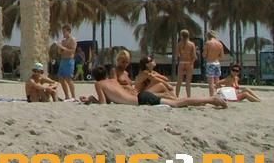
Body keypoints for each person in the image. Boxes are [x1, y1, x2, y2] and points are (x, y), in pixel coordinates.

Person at [92, 66, 227, 108]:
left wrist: (93, 100)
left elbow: (103, 103)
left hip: (141, 100)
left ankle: (211, 99)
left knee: (178, 103)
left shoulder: (98, 84)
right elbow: (113, 97)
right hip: (140, 96)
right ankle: (205, 100)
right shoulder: (113, 81)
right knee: (178, 102)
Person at [55, 24, 76, 99]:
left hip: (69, 60)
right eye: (62, 32)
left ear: (69, 31)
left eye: (64, 32)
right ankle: (67, 96)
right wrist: (59, 47)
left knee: (68, 78)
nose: (63, 33)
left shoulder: (72, 39)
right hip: (63, 60)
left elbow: (73, 51)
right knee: (61, 78)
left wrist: (63, 47)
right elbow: (60, 52)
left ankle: (73, 96)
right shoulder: (63, 41)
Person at [175, 30, 197, 97]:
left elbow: (177, 55)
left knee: (179, 81)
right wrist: (192, 63)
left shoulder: (179, 44)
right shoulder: (191, 44)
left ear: (181, 36)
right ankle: (188, 97)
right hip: (189, 63)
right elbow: (194, 56)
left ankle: (176, 96)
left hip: (182, 62)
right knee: (188, 82)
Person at [203, 30, 224, 96]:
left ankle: (212, 97)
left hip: (210, 63)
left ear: (208, 36)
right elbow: (222, 56)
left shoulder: (208, 43)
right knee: (217, 82)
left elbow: (204, 55)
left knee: (211, 83)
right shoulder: (220, 44)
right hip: (217, 63)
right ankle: (218, 96)